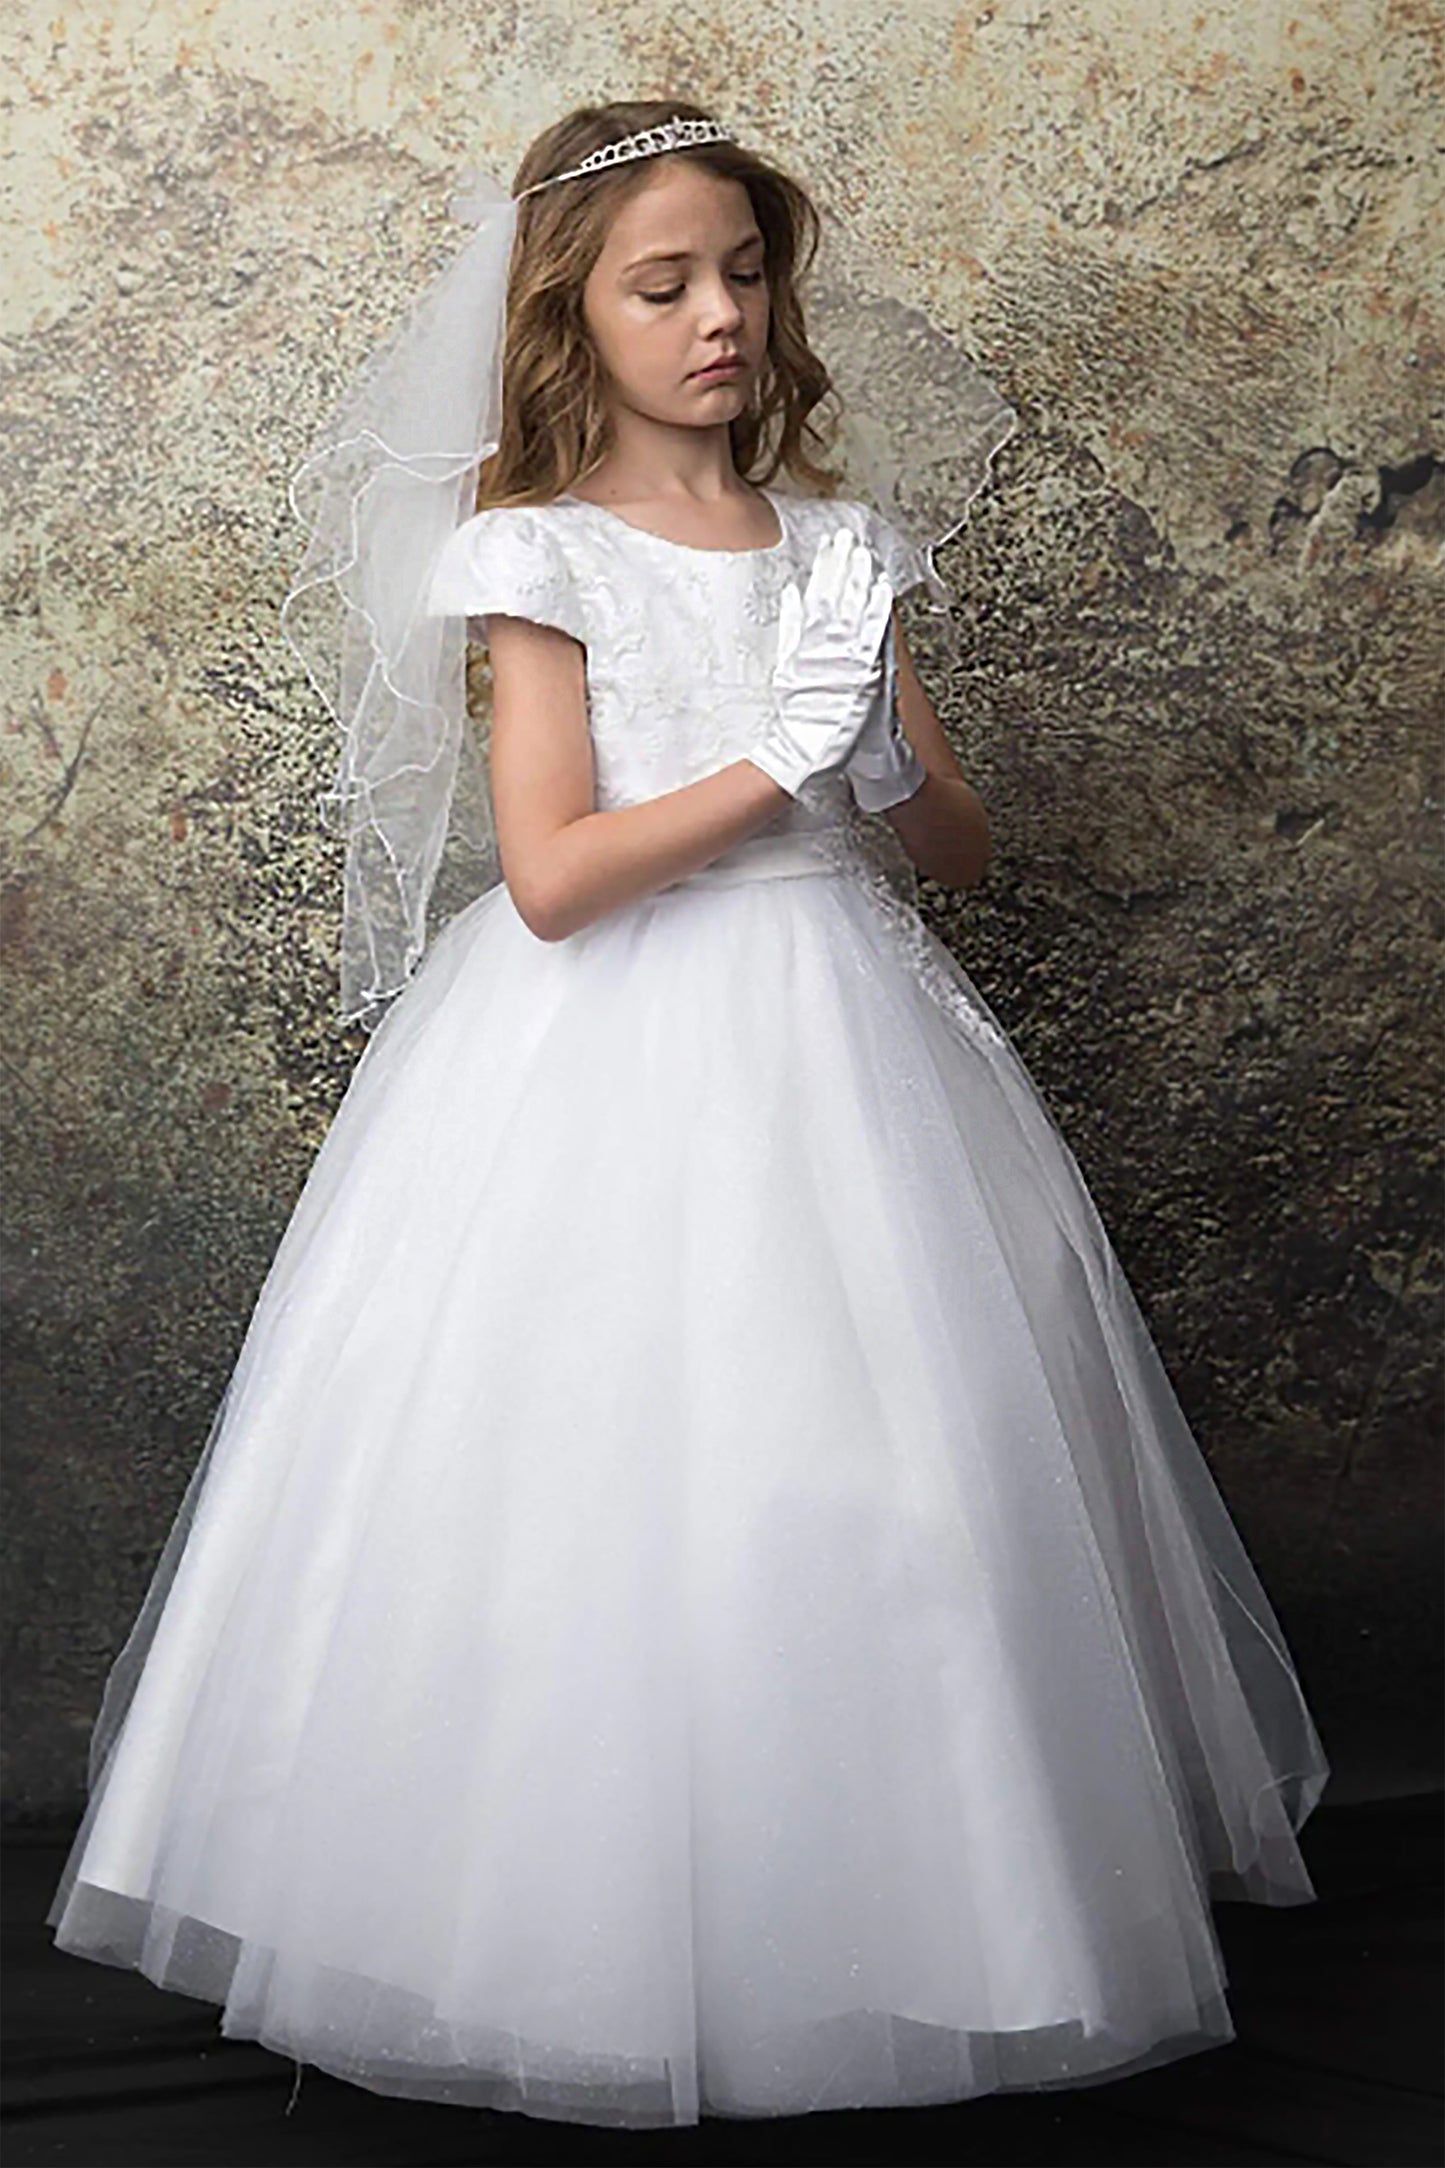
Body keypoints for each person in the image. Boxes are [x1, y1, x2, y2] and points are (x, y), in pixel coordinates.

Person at [46, 100, 1329, 2131]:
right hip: (602, 1050)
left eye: (744, 271)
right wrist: (770, 753)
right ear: (578, 312)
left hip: (850, 1029)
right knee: (600, 1479)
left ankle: (926, 1908)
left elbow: (961, 844)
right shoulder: (535, 553)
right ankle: (569, 1931)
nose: (721, 313)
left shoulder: (837, 546)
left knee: (893, 1477)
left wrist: (886, 764)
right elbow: (551, 872)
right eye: (667, 283)